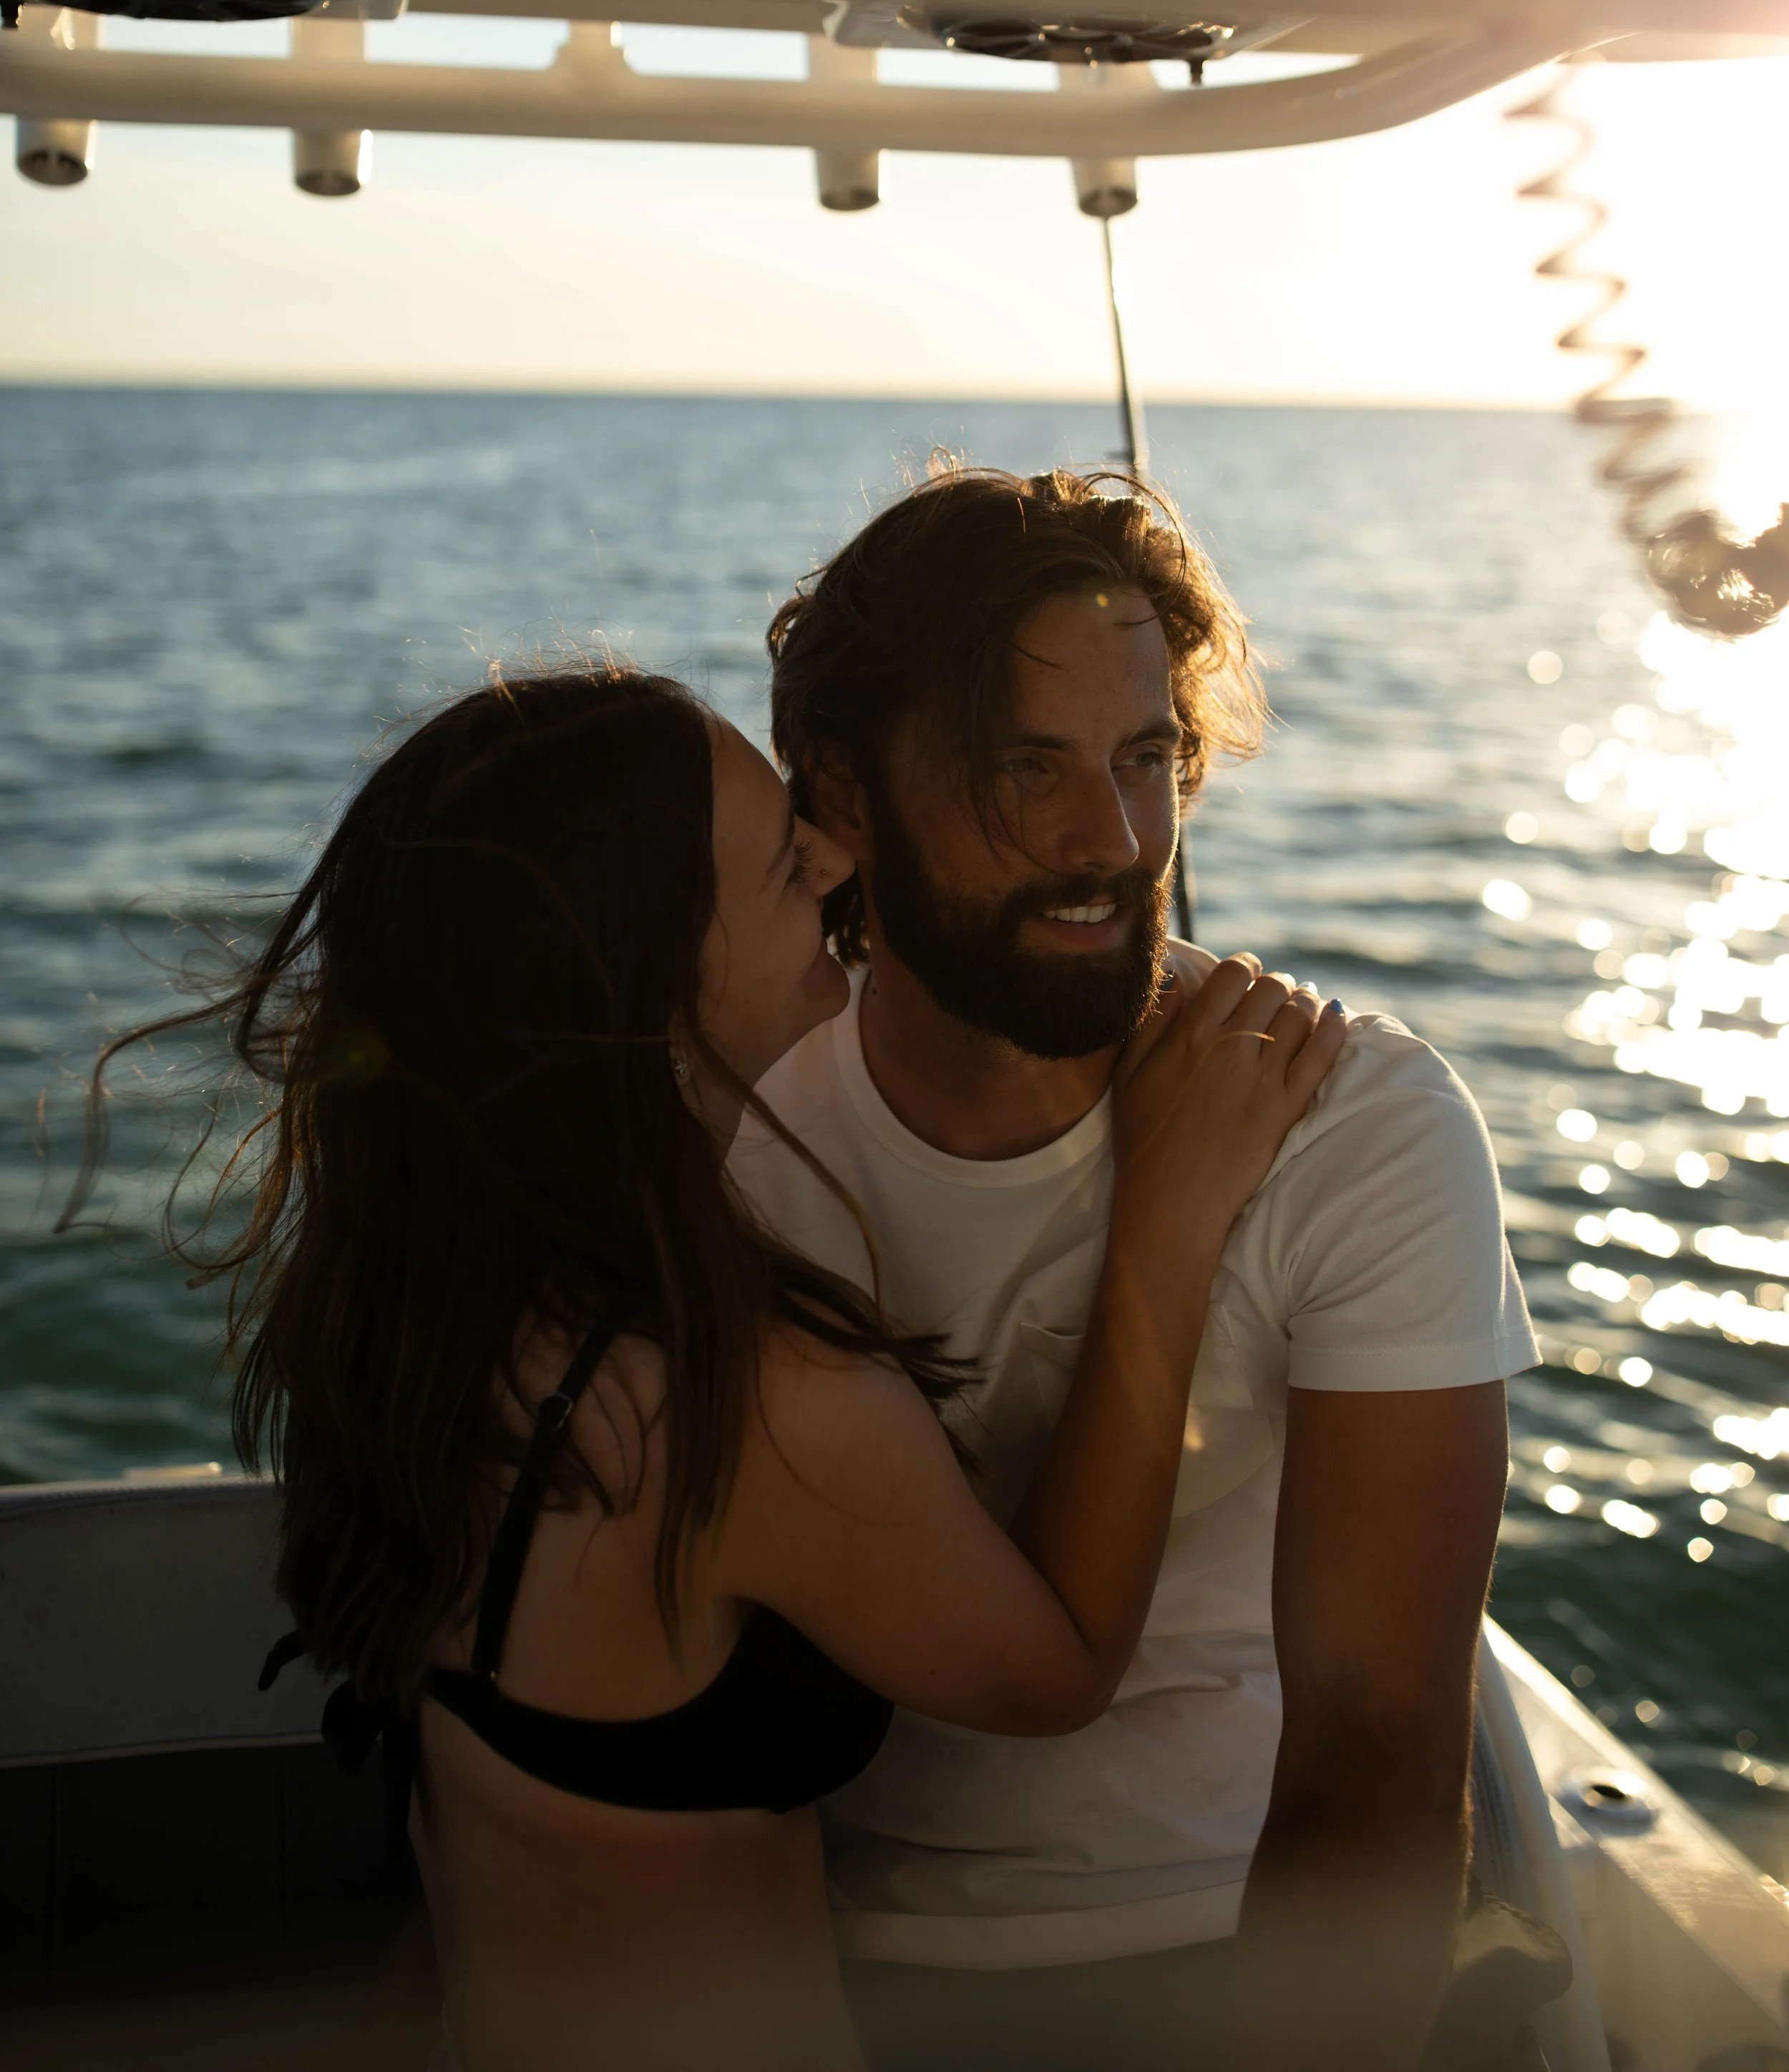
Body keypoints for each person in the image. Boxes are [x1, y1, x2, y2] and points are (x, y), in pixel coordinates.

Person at [81, 658, 1345, 2072]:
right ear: (652, 967)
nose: (835, 857)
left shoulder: (416, 1299)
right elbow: (1055, 1670)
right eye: (782, 858)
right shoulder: (749, 1401)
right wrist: (1164, 1221)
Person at [732, 464, 1541, 2072]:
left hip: (1238, 1929)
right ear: (840, 794)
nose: (1106, 841)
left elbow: (1376, 1760)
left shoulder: (1352, 1121)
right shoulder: (738, 1131)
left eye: (1146, 758)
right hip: (825, 1954)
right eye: (1019, 768)